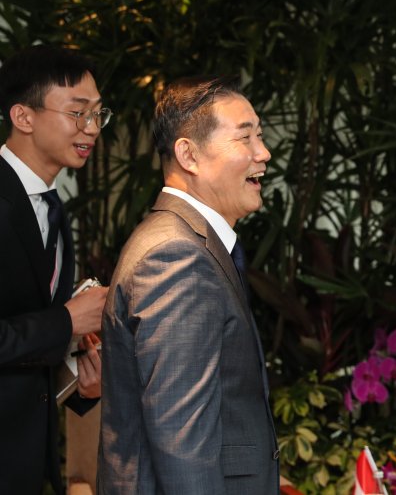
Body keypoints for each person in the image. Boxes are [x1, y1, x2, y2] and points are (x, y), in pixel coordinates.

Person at [98, 75, 279, 494]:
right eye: (245, 137)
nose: (263, 153)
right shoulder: (176, 257)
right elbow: (181, 440)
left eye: (261, 136)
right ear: (189, 155)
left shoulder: (189, 242)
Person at [0, 45, 108, 495]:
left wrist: (81, 382)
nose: (91, 129)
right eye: (77, 113)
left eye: (99, 115)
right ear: (23, 117)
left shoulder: (53, 206)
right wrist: (67, 320)